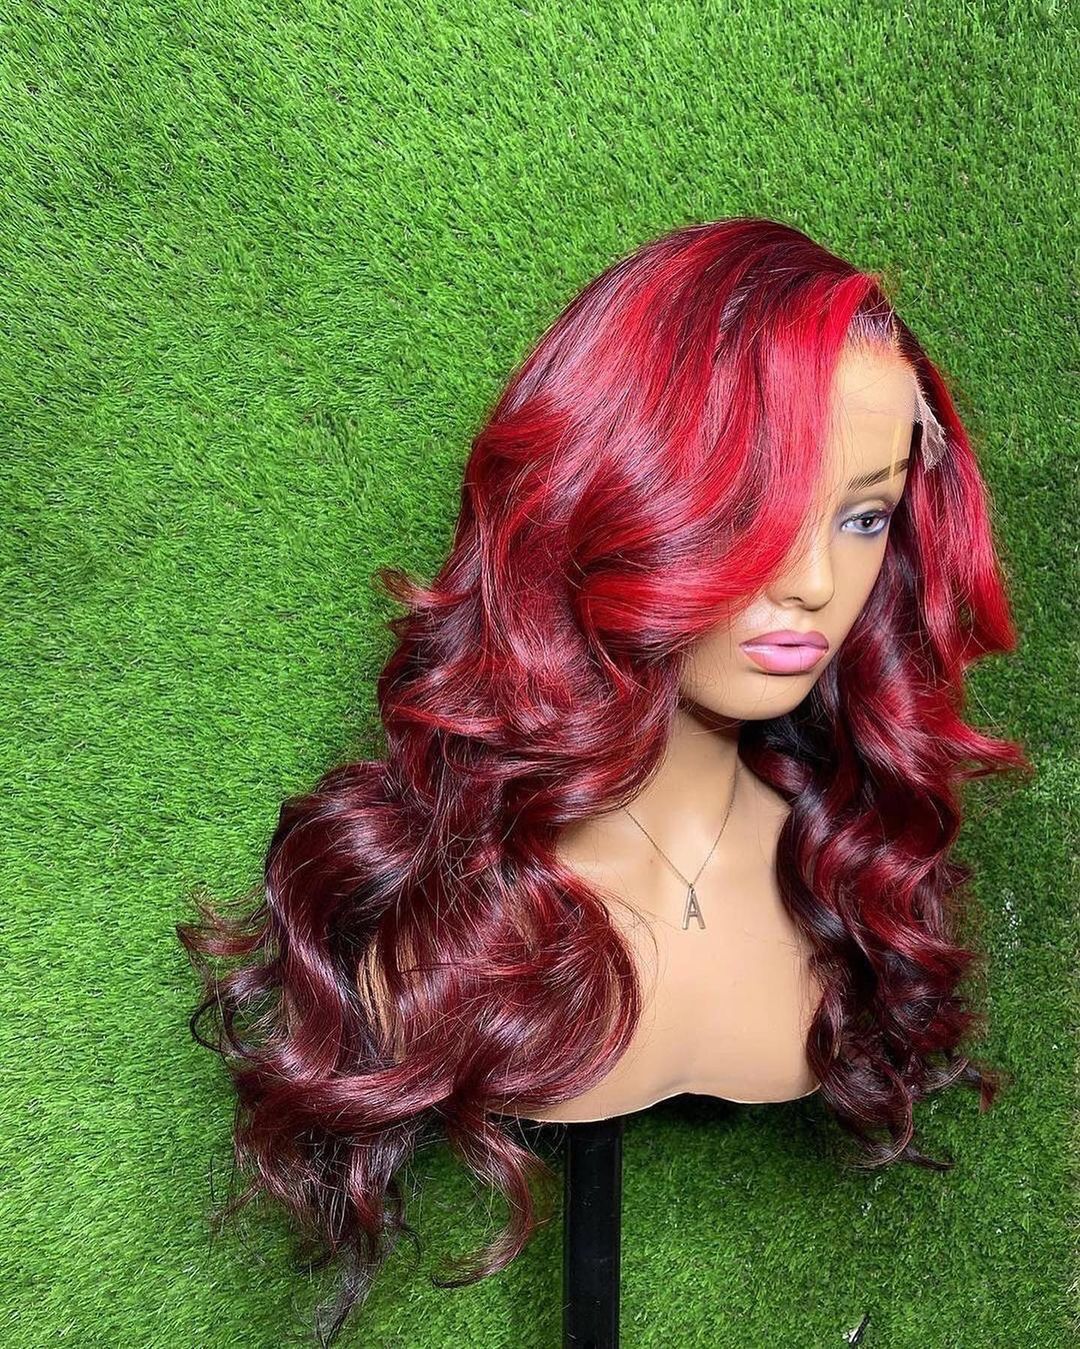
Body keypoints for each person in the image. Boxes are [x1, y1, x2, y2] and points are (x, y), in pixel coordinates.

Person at [177, 217, 1032, 1347]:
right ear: (612, 491)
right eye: (753, 509)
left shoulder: (838, 876)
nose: (818, 582)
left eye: (863, 516)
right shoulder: (442, 912)